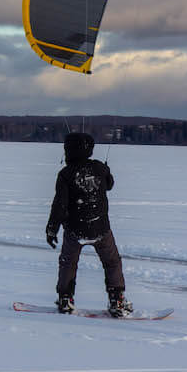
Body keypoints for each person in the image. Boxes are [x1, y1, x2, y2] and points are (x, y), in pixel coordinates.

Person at [45, 132, 133, 317]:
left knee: (68, 263)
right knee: (112, 262)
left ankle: (65, 299)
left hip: (75, 230)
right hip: (101, 228)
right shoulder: (99, 168)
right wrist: (106, 172)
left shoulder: (65, 174)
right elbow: (109, 184)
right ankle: (117, 300)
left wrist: (52, 229)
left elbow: (59, 204)